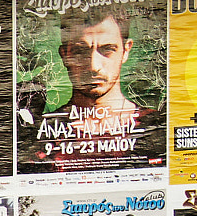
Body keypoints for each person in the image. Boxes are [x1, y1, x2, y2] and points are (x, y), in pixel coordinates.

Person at [40, 7, 165, 170]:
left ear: (126, 51)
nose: (94, 66)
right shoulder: (42, 134)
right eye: (80, 51)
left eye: (107, 50)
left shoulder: (157, 128)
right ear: (64, 55)